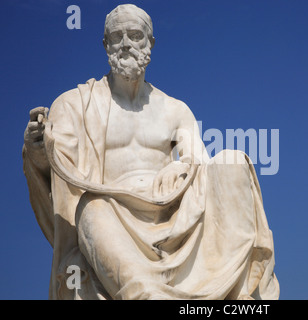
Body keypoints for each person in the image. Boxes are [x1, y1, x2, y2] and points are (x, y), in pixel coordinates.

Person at [23, 4, 279, 300]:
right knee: (90, 210)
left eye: (135, 35)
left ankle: (239, 291)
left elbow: (200, 165)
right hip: (110, 208)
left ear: (150, 43)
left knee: (232, 160)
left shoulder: (175, 109)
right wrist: (38, 147)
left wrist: (180, 170)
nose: (126, 44)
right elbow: (56, 169)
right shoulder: (73, 104)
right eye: (117, 36)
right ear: (105, 45)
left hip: (172, 209)